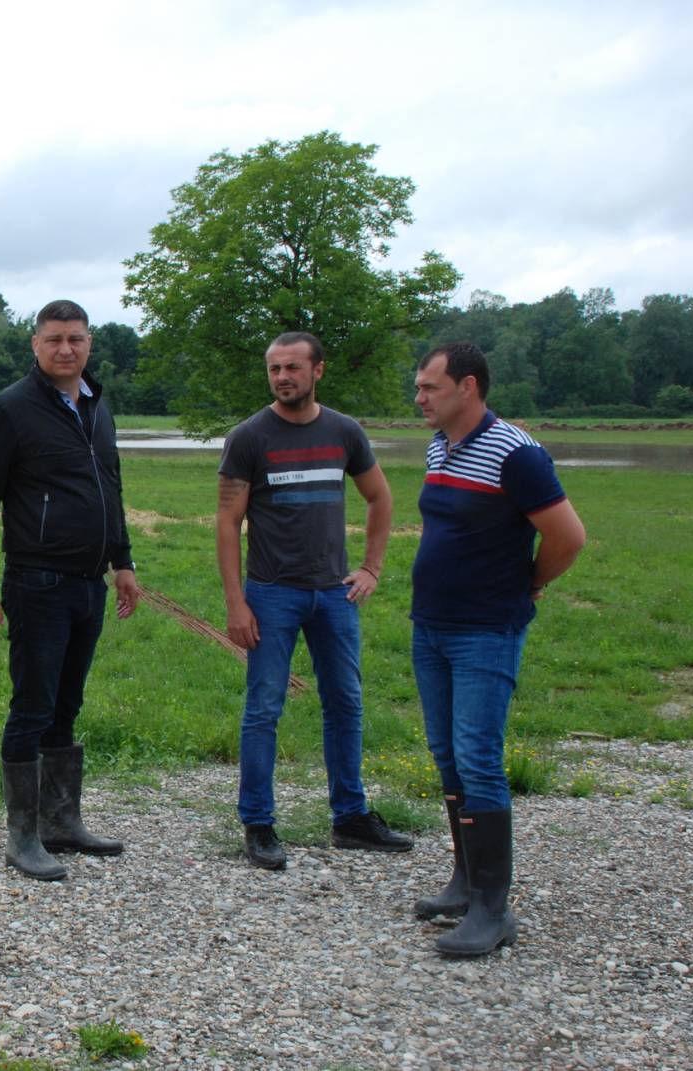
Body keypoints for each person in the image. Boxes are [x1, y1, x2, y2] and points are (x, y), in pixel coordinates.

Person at [409, 341, 585, 956]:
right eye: (419, 387)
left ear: (469, 386)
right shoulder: (442, 446)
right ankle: (464, 880)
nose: (420, 397)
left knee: (478, 756)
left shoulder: (517, 452)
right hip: (431, 624)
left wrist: (530, 583)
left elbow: (568, 536)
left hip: (485, 628)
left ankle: (492, 907)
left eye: (430, 387)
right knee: (447, 754)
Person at [0, 299, 141, 881]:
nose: (67, 349)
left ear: (90, 344)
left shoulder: (96, 405)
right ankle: (22, 837)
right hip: (36, 582)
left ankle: (63, 822)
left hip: (89, 582)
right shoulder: (10, 410)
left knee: (67, 706)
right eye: (55, 339)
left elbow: (109, 487)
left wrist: (124, 562)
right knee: (32, 707)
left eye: (77, 339)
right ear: (34, 344)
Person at [216, 331, 412, 870]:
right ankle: (258, 823)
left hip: (333, 594)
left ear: (318, 370)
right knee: (264, 708)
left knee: (345, 703)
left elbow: (380, 497)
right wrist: (236, 603)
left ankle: (350, 818)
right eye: (275, 369)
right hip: (272, 593)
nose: (283, 377)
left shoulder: (344, 431)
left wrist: (371, 567)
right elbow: (229, 522)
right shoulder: (249, 437)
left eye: (293, 368)